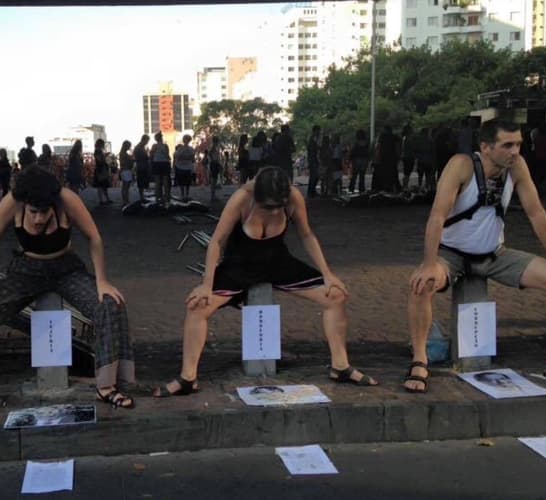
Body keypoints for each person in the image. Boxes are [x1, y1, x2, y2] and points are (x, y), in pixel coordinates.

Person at [153, 166, 378, 397]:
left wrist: (327, 274)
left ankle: (340, 366)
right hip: (239, 266)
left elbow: (306, 235)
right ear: (257, 197)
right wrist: (207, 285)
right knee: (197, 306)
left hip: (277, 263)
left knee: (336, 295)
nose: (272, 212)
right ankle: (188, 377)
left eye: (276, 207)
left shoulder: (293, 198)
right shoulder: (242, 199)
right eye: (267, 206)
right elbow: (216, 242)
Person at [404, 119, 546, 394]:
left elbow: (536, 212)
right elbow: (437, 216)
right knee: (421, 284)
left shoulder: (517, 168)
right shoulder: (461, 166)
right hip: (452, 255)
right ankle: (419, 358)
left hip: (495, 254)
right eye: (507, 145)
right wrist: (429, 264)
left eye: (519, 144)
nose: (515, 151)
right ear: (486, 147)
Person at [0, 167, 135, 420]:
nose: (38, 219)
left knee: (110, 304)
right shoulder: (11, 201)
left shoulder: (67, 199)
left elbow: (94, 238)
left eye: (44, 212)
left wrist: (102, 281)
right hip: (26, 270)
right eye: (33, 212)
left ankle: (106, 386)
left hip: (66, 268)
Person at [150, 131, 171, 207]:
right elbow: (168, 156)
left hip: (157, 163)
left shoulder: (154, 146)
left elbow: (151, 155)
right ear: (161, 138)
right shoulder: (165, 146)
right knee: (165, 181)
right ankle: (167, 197)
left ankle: (157, 197)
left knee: (157, 181)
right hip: (165, 163)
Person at [173, 134, 195, 200]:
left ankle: (184, 195)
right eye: (186, 139)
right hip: (184, 167)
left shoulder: (182, 149)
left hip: (183, 167)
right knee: (184, 182)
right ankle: (185, 195)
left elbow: (177, 157)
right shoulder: (189, 149)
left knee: (184, 182)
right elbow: (192, 158)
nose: (187, 141)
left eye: (187, 139)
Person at [348, 130, 369, 194]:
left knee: (354, 175)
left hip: (356, 160)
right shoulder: (366, 143)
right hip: (364, 160)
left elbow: (353, 151)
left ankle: (351, 188)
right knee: (362, 176)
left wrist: (350, 158)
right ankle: (361, 189)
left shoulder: (356, 143)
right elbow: (367, 152)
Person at [92, 139, 112, 205]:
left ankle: (105, 199)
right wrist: (104, 156)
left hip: (101, 169)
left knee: (102, 185)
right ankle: (103, 200)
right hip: (100, 170)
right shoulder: (98, 150)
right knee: (101, 185)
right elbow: (99, 160)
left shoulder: (98, 150)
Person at [133, 135, 151, 201]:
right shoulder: (139, 147)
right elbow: (144, 157)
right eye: (147, 141)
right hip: (141, 167)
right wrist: (148, 156)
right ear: (144, 140)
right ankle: (142, 197)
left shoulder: (140, 147)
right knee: (141, 182)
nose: (147, 142)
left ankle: (142, 196)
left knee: (142, 182)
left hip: (141, 166)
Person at [118, 140, 134, 207]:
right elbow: (125, 163)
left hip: (125, 170)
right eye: (129, 145)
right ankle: (125, 201)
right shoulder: (124, 154)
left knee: (125, 187)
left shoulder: (122, 153)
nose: (130, 147)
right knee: (125, 187)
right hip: (126, 171)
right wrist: (131, 159)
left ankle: (126, 200)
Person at [306, 126, 321, 197]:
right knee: (314, 176)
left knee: (315, 176)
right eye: (318, 131)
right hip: (313, 160)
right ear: (315, 131)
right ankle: (311, 191)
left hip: (314, 159)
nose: (319, 132)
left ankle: (312, 191)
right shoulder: (312, 139)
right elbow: (312, 149)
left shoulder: (314, 139)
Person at [207, 136, 223, 202]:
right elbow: (212, 155)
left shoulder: (214, 147)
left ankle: (213, 195)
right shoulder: (214, 148)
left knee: (214, 180)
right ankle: (212, 196)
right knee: (214, 180)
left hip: (214, 164)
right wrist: (217, 162)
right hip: (214, 164)